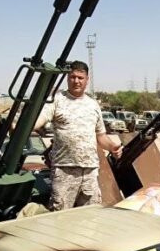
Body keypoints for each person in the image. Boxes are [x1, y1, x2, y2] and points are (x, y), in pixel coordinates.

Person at [32, 61, 122, 211]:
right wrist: (22, 125)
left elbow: (101, 136)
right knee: (60, 216)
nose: (76, 81)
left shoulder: (93, 105)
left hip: (90, 171)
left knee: (90, 215)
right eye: (72, 77)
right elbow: (38, 121)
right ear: (68, 78)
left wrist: (113, 147)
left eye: (80, 78)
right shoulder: (56, 100)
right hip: (64, 170)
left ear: (87, 80)